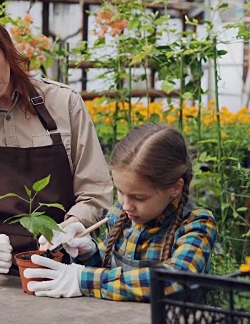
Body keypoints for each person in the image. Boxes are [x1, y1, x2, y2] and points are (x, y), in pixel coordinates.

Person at [0, 0, 114, 275]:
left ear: (4, 45)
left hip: (66, 270)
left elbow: (95, 192)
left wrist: (70, 226)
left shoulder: (64, 104)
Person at [26, 123, 218, 302]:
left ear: (175, 188)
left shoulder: (196, 224)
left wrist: (83, 279)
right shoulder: (121, 214)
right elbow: (108, 267)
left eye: (139, 198)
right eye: (121, 192)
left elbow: (173, 280)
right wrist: (88, 252)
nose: (126, 205)